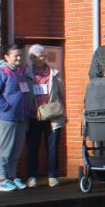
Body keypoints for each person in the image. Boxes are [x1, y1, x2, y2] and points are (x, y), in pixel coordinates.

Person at [0, 45, 32, 192]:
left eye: (19, 55)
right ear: (6, 57)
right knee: (6, 149)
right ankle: (3, 179)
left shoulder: (21, 72)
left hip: (22, 117)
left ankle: (12, 176)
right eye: (15, 56)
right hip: (8, 117)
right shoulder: (1, 72)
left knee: (17, 149)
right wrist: (5, 106)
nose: (18, 58)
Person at [24, 44, 66, 188]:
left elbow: (62, 92)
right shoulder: (26, 73)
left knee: (53, 147)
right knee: (33, 146)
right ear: (31, 58)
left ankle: (52, 175)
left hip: (52, 115)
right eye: (36, 56)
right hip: (33, 115)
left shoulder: (54, 73)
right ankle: (32, 176)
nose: (41, 58)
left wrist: (63, 109)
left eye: (42, 55)